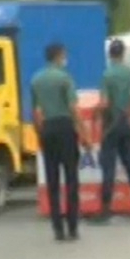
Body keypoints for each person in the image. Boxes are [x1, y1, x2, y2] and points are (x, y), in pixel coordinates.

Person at [31, 43, 86, 241]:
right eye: (64, 55)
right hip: (65, 129)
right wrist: (84, 134)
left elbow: (36, 112)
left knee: (52, 181)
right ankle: (72, 227)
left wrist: (40, 134)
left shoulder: (36, 79)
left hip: (48, 130)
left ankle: (57, 229)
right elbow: (73, 108)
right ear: (59, 56)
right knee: (71, 179)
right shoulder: (64, 78)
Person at [93, 38, 130, 222]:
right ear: (123, 54)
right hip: (126, 122)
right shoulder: (128, 72)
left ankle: (106, 209)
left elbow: (105, 102)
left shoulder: (107, 75)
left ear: (110, 54)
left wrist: (96, 112)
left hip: (111, 125)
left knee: (108, 168)